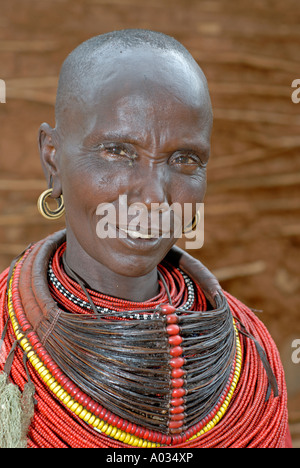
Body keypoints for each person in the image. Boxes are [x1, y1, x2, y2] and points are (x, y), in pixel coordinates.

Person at [0, 29, 292, 448]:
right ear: (53, 158)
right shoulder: (6, 345)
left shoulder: (250, 359)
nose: (155, 197)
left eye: (184, 159)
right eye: (118, 151)